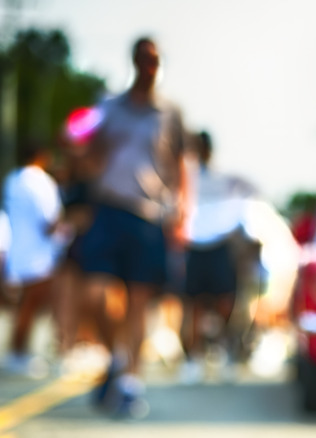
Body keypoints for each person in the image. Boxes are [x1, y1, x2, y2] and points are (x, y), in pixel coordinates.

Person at [78, 36, 190, 415]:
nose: (149, 66)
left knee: (138, 304)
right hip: (108, 208)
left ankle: (130, 380)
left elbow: (179, 166)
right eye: (143, 59)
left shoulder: (170, 113)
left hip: (149, 215)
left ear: (161, 65)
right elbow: (88, 152)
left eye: (155, 60)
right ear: (134, 62)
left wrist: (180, 215)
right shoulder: (108, 107)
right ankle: (114, 357)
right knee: (95, 295)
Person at [179, 131, 257, 383]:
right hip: (194, 247)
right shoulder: (184, 178)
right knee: (194, 306)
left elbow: (247, 200)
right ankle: (193, 358)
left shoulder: (225, 179)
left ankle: (224, 350)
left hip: (220, 246)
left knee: (226, 303)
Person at [2, 142, 66, 377]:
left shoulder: (13, 179)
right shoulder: (41, 182)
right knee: (31, 305)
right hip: (40, 254)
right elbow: (50, 221)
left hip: (18, 250)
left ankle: (18, 350)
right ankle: (18, 352)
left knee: (24, 305)